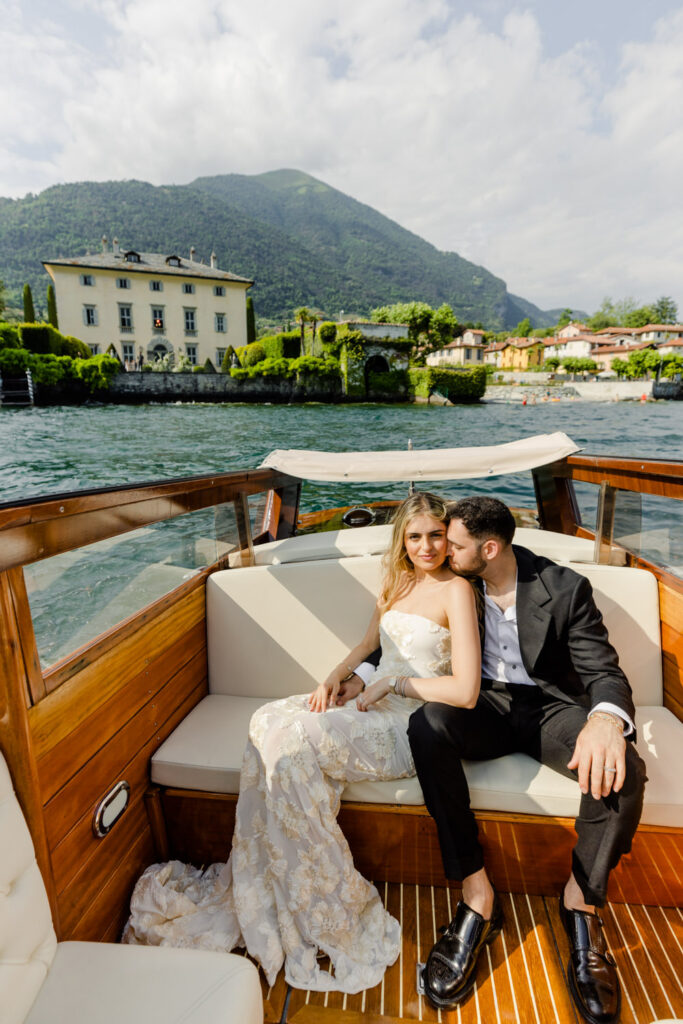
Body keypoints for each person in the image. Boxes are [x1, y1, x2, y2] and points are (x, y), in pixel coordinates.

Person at [123, 492, 482, 994]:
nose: (427, 546)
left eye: (436, 536)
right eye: (416, 536)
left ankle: (327, 904)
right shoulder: (397, 583)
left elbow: (466, 690)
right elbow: (367, 648)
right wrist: (336, 680)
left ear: (450, 537)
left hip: (408, 725)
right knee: (269, 719)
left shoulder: (457, 592)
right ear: (402, 539)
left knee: (291, 743)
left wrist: (390, 686)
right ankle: (279, 880)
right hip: (368, 704)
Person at [405, 496, 646, 1022]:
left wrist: (606, 720)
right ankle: (476, 895)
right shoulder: (455, 581)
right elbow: (406, 627)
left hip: (550, 710)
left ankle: (581, 903)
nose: (443, 549)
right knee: (426, 726)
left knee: (624, 774)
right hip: (482, 702)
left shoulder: (564, 588)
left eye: (456, 543)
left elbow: (604, 670)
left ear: (489, 549)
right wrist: (362, 671)